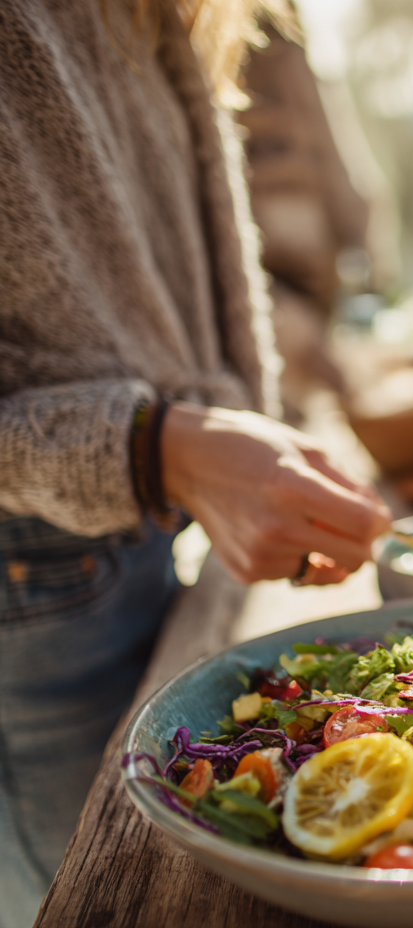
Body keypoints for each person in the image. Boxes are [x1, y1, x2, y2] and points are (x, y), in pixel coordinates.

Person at [0, 3, 391, 925]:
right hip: (32, 585)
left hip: (147, 537)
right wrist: (156, 445)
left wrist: (202, 443)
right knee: (93, 899)